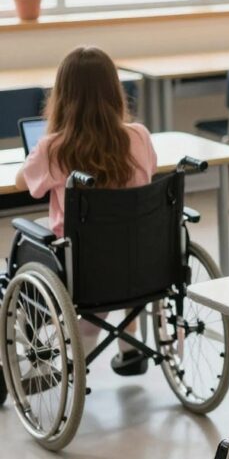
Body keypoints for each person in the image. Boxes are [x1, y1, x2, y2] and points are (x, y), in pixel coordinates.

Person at [16, 45, 158, 376]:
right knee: (117, 239)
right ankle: (127, 344)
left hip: (81, 267)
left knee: (30, 238)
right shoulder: (139, 137)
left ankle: (55, 336)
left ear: (62, 96)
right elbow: (149, 174)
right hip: (141, 261)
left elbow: (23, 181)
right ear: (114, 91)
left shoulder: (53, 147)